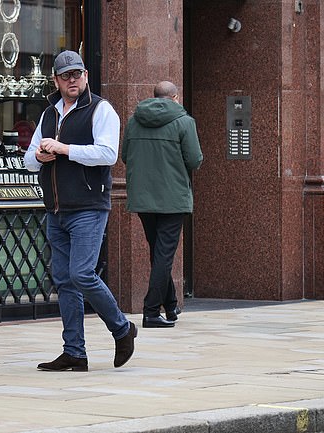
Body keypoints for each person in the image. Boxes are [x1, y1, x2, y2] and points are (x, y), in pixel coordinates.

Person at [24, 50, 137, 371]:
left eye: (77, 74)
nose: (72, 80)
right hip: (56, 209)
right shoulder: (48, 114)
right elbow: (29, 160)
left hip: (89, 206)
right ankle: (74, 351)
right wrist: (41, 157)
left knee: (81, 273)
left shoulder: (101, 109)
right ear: (56, 80)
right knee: (64, 280)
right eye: (65, 76)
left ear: (86, 76)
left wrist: (64, 149)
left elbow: (107, 154)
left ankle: (122, 328)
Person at [121, 81, 203, 328]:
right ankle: (150, 311)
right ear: (175, 97)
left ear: (154, 97)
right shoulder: (185, 122)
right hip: (172, 198)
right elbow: (195, 160)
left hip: (143, 197)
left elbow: (125, 156)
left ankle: (170, 305)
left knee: (158, 251)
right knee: (164, 255)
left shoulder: (135, 121)